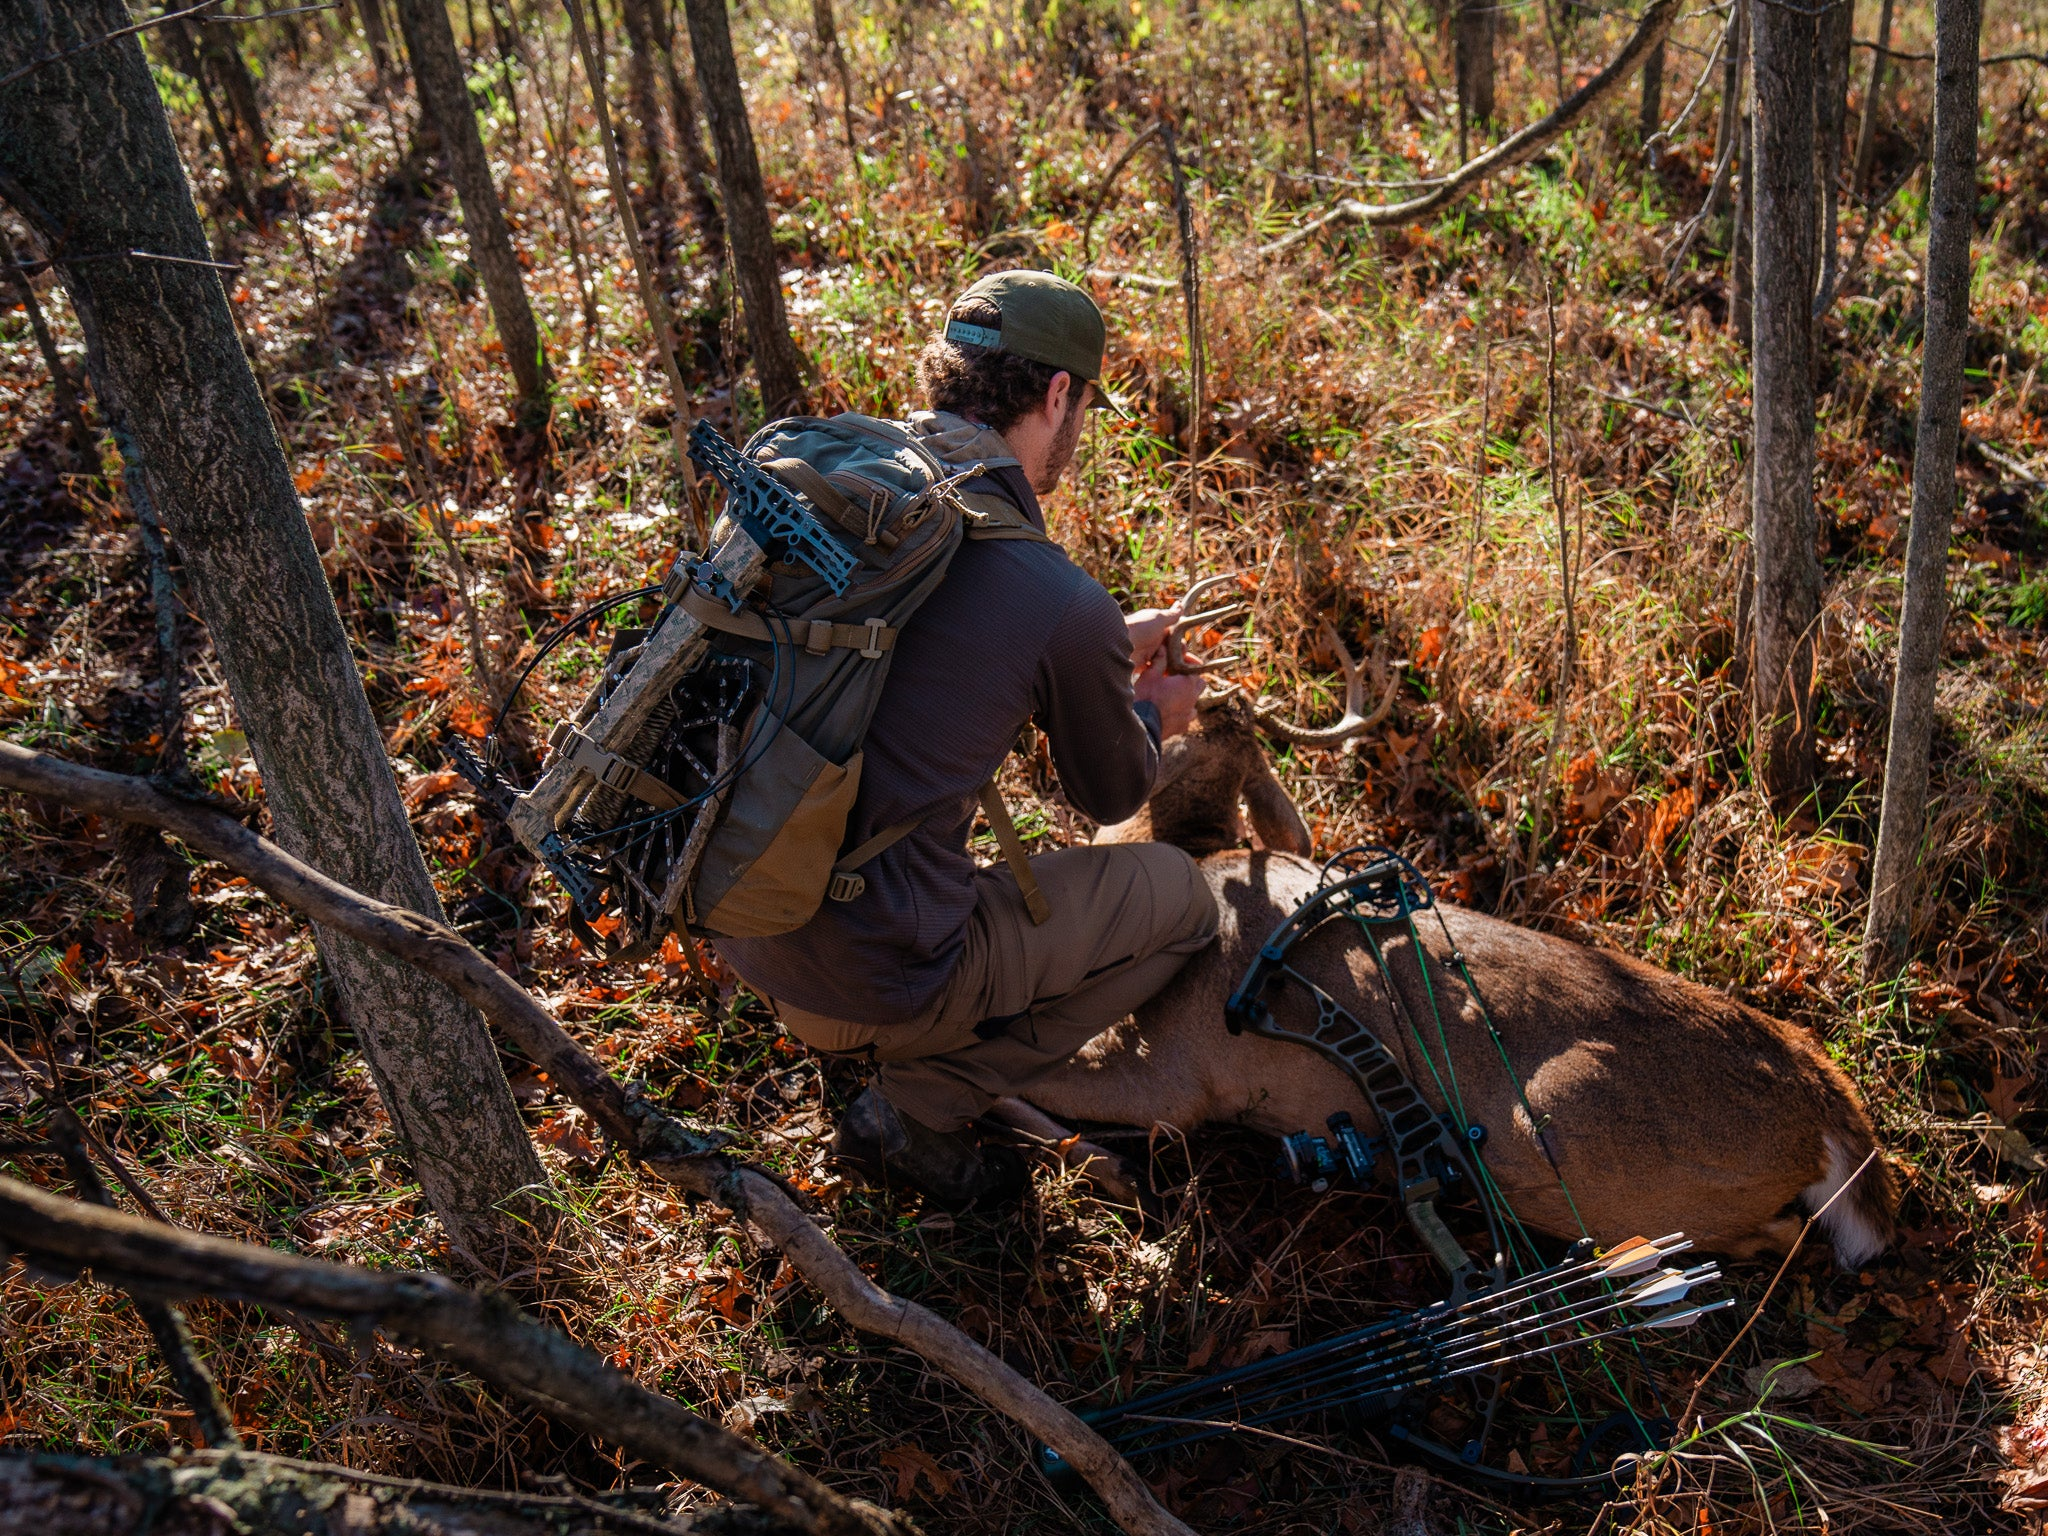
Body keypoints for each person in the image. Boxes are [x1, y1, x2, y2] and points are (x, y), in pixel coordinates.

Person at [716, 270, 1217, 1207]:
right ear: (1058, 394)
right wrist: (1152, 712)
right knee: (1184, 900)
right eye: (1081, 408)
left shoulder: (837, 488)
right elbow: (1110, 797)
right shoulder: (1056, 599)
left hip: (742, 926)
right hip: (878, 980)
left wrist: (1099, 644)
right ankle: (926, 1097)